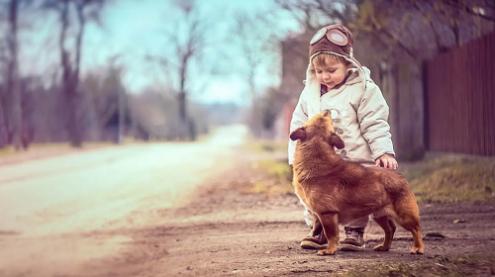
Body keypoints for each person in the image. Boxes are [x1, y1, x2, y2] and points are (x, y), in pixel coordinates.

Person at [287, 24, 398, 251]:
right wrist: (294, 157)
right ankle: (320, 229)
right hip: (319, 163)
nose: (325, 77)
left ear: (348, 64)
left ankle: (354, 232)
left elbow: (375, 122)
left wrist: (383, 151)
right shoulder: (310, 91)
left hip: (354, 158)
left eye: (332, 70)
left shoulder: (364, 89)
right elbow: (299, 123)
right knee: (315, 193)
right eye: (319, 72)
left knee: (354, 194)